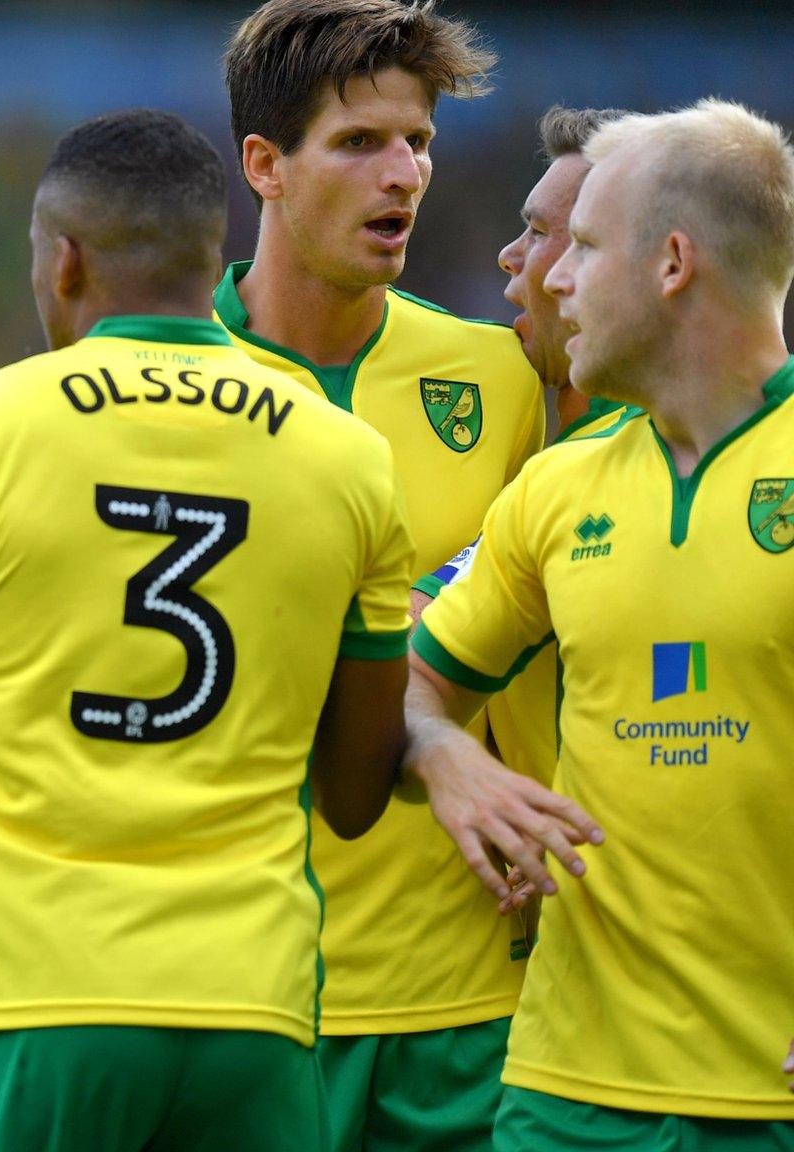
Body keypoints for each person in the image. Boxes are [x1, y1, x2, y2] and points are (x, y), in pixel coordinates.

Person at [0, 108, 413, 1152]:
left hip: (27, 1001)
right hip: (250, 1013)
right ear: (207, 256)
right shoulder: (347, 458)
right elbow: (353, 795)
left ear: (64, 261)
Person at [405, 98, 794, 1149]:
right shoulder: (553, 491)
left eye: (578, 246)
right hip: (564, 1091)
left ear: (671, 263)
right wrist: (444, 753)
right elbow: (413, 680)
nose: (553, 278)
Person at [217, 3, 543, 1144]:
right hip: (235, 1001)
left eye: (417, 144)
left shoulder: (500, 379)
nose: (401, 173)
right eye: (359, 144)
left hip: (463, 1002)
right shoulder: (150, 386)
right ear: (263, 164)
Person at [410, 106, 634, 850]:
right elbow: (418, 668)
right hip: (559, 949)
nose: (513, 257)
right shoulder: (546, 472)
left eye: (541, 233)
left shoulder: (574, 474)